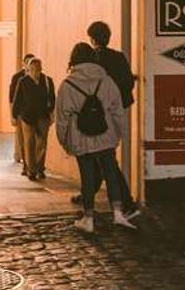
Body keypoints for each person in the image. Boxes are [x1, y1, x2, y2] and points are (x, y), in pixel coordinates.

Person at [56, 42, 136, 233]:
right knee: (111, 174)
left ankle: (89, 218)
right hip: (106, 135)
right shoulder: (106, 80)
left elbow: (62, 119)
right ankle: (118, 213)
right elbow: (118, 111)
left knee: (87, 177)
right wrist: (120, 134)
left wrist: (64, 141)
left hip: (80, 138)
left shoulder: (67, 85)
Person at [82, 21, 142, 217]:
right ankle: (91, 194)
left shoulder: (92, 60)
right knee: (104, 157)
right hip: (117, 116)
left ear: (92, 38)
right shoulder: (119, 57)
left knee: (106, 161)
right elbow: (127, 85)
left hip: (99, 117)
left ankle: (127, 204)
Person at [9, 55, 56, 181]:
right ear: (28, 69)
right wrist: (14, 116)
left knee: (42, 143)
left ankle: (39, 167)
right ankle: (31, 170)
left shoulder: (47, 81)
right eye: (33, 70)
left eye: (38, 69)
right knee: (29, 143)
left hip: (43, 116)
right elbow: (17, 99)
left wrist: (52, 113)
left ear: (41, 69)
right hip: (27, 117)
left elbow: (52, 98)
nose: (35, 72)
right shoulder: (23, 81)